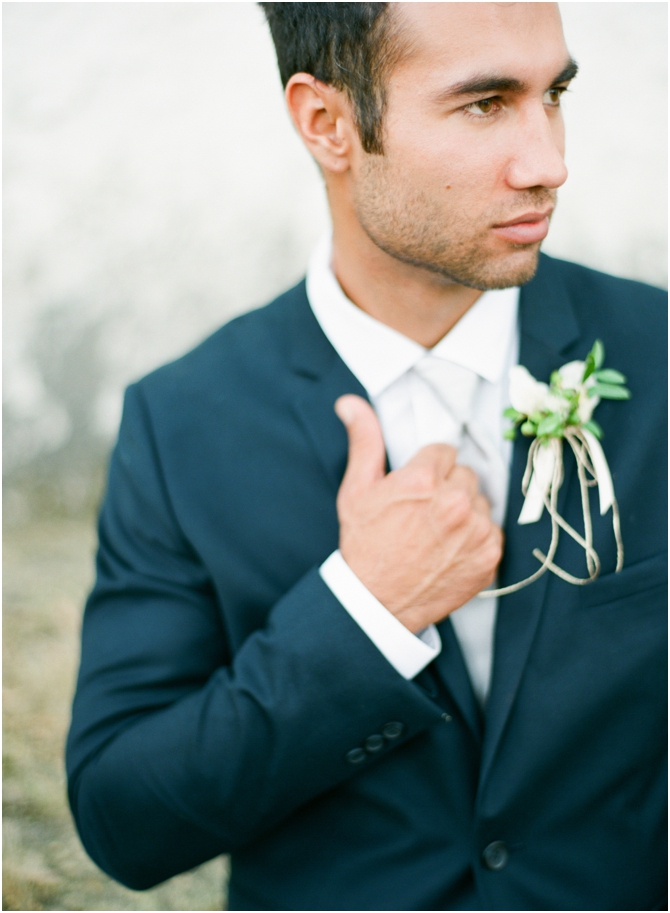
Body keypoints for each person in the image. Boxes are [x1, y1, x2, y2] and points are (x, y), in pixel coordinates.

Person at [66, 3, 667, 910]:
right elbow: (127, 819)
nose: (549, 162)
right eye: (484, 104)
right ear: (327, 122)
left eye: (555, 94)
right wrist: (367, 612)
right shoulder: (181, 421)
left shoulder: (658, 354)